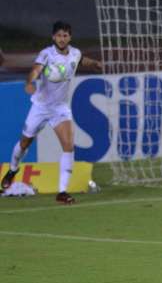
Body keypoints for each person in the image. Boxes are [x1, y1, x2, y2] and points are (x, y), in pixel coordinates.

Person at [1, 21, 103, 203]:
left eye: (65, 35)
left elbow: (80, 60)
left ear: (69, 37)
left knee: (68, 145)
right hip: (40, 107)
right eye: (59, 35)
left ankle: (62, 192)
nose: (62, 39)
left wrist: (94, 63)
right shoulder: (46, 54)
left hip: (60, 109)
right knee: (24, 143)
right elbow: (35, 70)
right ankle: (13, 170)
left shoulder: (75, 53)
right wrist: (30, 82)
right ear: (53, 37)